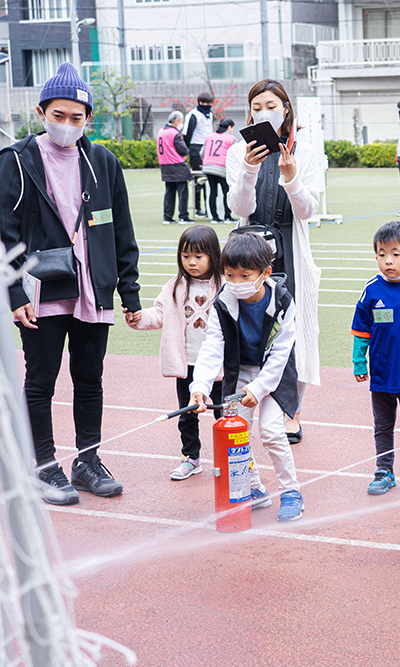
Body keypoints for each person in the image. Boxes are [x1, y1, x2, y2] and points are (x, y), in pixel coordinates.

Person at [0, 62, 141, 505]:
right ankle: (43, 466)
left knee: (90, 379)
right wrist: (13, 291)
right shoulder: (17, 161)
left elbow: (121, 231)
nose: (66, 125)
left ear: (88, 119)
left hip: (91, 288)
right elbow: (3, 231)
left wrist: (128, 291)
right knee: (40, 381)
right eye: (58, 115)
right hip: (40, 289)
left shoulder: (102, 162)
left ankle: (87, 461)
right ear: (42, 112)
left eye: (76, 118)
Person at [227, 79, 322, 444]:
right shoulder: (239, 152)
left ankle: (292, 412)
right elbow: (239, 209)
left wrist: (291, 177)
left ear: (285, 109)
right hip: (250, 250)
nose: (263, 112)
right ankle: (249, 405)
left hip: (291, 250)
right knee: (251, 333)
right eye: (256, 106)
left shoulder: (306, 152)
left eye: (270, 105)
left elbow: (307, 211)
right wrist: (249, 170)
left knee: (295, 332)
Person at [189, 231, 304, 521]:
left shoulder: (284, 303)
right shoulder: (223, 301)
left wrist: (260, 387)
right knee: (235, 431)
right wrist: (200, 386)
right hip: (240, 373)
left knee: (271, 431)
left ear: (265, 272)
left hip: (273, 376)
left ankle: (291, 491)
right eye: (229, 274)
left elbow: (280, 355)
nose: (236, 282)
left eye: (244, 275)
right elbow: (213, 345)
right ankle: (254, 488)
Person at [126, 225, 224, 480]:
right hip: (187, 364)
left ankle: (229, 457)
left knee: (223, 413)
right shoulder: (175, 287)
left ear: (213, 255)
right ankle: (191, 457)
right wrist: (138, 317)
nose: (191, 262)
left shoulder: (225, 285)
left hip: (220, 367)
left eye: (198, 256)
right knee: (187, 414)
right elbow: (159, 313)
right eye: (185, 256)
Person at [352, 221, 400, 497]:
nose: (388, 260)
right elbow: (361, 332)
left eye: (396, 254)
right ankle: (384, 470)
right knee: (382, 427)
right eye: (381, 253)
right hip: (382, 374)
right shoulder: (371, 290)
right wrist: (359, 363)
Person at [158, 110, 193, 225]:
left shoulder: (161, 131)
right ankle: (183, 216)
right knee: (182, 192)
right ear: (177, 121)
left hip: (165, 165)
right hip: (177, 165)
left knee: (169, 191)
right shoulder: (174, 133)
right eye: (182, 121)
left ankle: (167, 217)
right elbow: (184, 150)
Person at [184, 92, 214, 218]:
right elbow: (187, 135)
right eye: (205, 103)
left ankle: (209, 208)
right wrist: (189, 151)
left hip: (209, 148)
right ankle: (198, 208)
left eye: (210, 104)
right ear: (200, 103)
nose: (208, 106)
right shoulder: (192, 115)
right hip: (196, 148)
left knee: (209, 178)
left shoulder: (210, 115)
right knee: (198, 180)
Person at [202, 118, 236, 223]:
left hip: (208, 166)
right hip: (221, 167)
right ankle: (227, 216)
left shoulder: (210, 136)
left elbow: (202, 152)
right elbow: (234, 154)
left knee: (213, 192)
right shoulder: (231, 138)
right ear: (229, 127)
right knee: (226, 191)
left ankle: (214, 217)